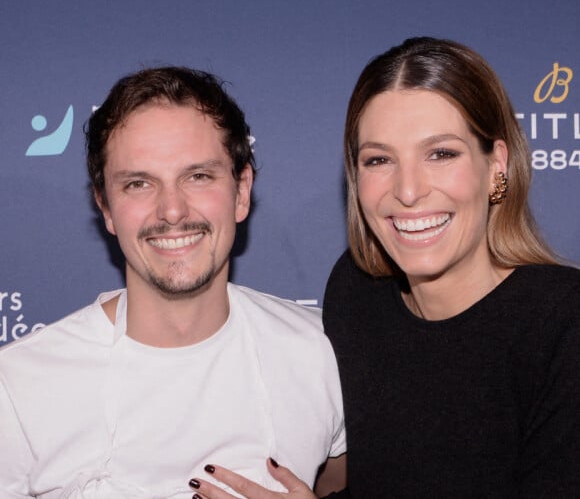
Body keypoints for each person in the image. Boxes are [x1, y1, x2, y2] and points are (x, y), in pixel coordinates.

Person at [191, 37, 580, 499]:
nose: (409, 190)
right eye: (379, 160)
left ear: (496, 165)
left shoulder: (564, 324)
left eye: (441, 153)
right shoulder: (358, 294)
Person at [0, 67, 346, 498]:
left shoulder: (321, 351)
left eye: (198, 176)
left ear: (241, 191)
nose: (172, 210)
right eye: (139, 183)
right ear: (105, 207)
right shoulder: (17, 386)